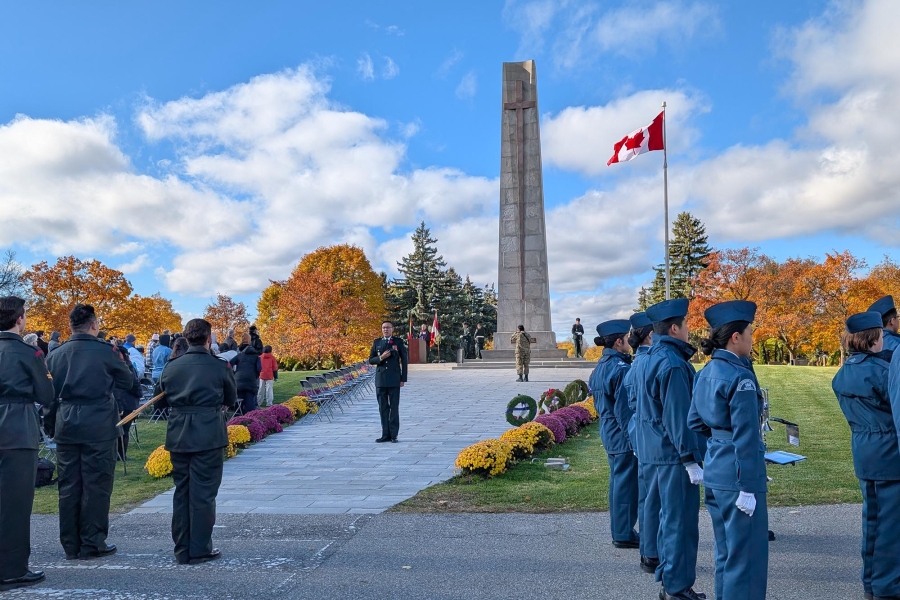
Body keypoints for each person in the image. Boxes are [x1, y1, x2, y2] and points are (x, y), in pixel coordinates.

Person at [688, 301, 768, 600]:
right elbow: (747, 437)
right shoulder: (741, 376)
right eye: (749, 332)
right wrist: (749, 484)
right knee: (745, 559)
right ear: (735, 336)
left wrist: (720, 439)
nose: (752, 338)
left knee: (727, 554)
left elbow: (694, 421)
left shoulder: (705, 372)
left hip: (717, 467)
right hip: (738, 473)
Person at [46, 304, 133, 560]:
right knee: (97, 484)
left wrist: (52, 425)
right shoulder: (107, 352)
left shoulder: (56, 354)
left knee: (69, 485)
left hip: (67, 421)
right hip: (98, 423)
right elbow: (128, 382)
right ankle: (93, 541)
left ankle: (70, 543)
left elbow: (50, 395)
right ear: (94, 324)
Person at [632, 298, 706, 600]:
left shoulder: (646, 359)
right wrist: (690, 458)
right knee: (680, 524)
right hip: (673, 455)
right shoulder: (673, 364)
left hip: (652, 453)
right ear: (674, 328)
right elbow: (679, 418)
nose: (689, 330)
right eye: (686, 325)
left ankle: (667, 575)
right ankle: (677, 588)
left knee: (666, 520)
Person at [154, 318, 237, 565]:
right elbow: (231, 398)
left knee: (182, 492)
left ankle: (182, 548)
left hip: (179, 434)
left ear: (187, 338)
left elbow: (160, 402)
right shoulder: (219, 366)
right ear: (208, 338)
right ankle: (199, 547)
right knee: (203, 493)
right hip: (208, 434)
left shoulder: (172, 366)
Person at [842, 311, 900, 600]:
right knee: (891, 526)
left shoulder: (845, 371)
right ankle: (887, 586)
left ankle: (871, 583)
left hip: (864, 451)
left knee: (872, 521)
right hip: (889, 452)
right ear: (875, 337)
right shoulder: (883, 370)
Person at [0, 297, 55, 591]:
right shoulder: (27, 352)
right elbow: (46, 394)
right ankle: (11, 568)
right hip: (16, 428)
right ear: (19, 320)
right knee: (15, 503)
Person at [589, 319, 639, 549]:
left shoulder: (600, 367)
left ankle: (621, 529)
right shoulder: (621, 369)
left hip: (608, 429)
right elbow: (624, 411)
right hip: (620, 432)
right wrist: (635, 441)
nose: (629, 342)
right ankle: (623, 533)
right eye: (627, 338)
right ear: (619, 342)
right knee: (625, 485)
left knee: (618, 482)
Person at [622, 311, 659, 575]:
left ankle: (648, 552)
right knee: (656, 500)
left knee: (647, 498)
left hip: (641, 436)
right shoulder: (650, 362)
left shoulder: (636, 363)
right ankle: (654, 554)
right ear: (650, 335)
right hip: (654, 438)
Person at [368, 321, 408, 443]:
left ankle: (393, 435)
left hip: (394, 379)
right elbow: (371, 360)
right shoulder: (377, 342)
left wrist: (403, 378)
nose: (385, 330)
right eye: (384, 328)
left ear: (392, 329)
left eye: (388, 328)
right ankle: (385, 434)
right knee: (383, 408)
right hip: (381, 380)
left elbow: (405, 360)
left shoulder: (398, 342)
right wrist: (381, 358)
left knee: (394, 408)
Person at [113, 346, 142, 462]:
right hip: (127, 401)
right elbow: (133, 383)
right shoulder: (126, 367)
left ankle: (118, 454)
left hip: (119, 400)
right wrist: (139, 393)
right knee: (124, 430)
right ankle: (121, 454)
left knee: (121, 430)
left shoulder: (111, 366)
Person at [230, 333, 261, 414]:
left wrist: (233, 373)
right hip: (251, 380)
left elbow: (229, 364)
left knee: (239, 401)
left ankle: (238, 418)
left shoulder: (240, 355)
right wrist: (256, 375)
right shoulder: (256, 357)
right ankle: (249, 418)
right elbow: (259, 368)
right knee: (250, 403)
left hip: (238, 380)